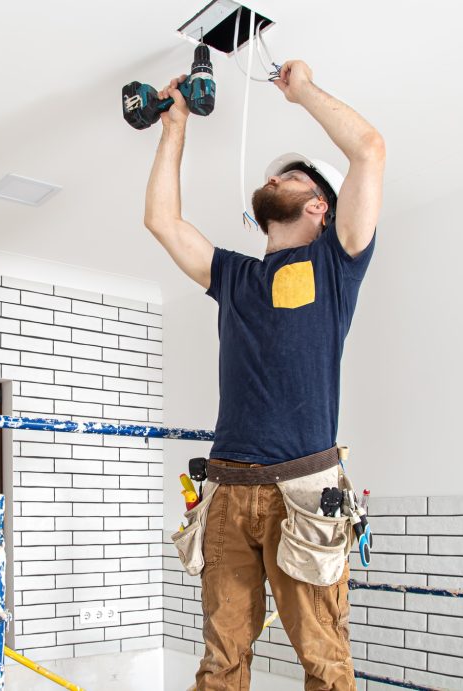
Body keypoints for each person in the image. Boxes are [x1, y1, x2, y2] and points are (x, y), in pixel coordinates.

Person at [144, 60, 385, 691]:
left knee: (325, 665)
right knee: (221, 664)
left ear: (317, 206)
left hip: (304, 490)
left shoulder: (338, 265)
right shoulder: (236, 278)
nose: (273, 175)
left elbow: (369, 149)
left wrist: (301, 91)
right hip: (226, 490)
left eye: (293, 174)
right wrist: (175, 129)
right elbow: (163, 223)